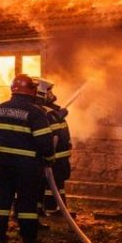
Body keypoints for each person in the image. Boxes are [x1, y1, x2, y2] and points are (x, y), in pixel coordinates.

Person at [0, 73, 53, 243]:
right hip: (26, 166)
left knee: (2, 198)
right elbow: (44, 141)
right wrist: (49, 158)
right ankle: (28, 237)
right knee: (27, 201)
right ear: (31, 90)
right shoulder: (35, 113)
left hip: (0, 164)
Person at [34, 78, 72, 221]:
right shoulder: (43, 112)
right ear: (41, 93)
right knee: (48, 182)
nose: (52, 95)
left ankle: (57, 207)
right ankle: (49, 207)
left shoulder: (51, 111)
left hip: (60, 155)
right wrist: (57, 117)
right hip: (51, 155)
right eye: (49, 91)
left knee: (58, 182)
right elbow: (47, 132)